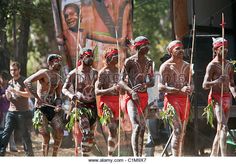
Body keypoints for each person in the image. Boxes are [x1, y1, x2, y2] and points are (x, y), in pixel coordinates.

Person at [119, 36, 155, 156]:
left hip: (143, 97)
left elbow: (152, 81)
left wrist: (145, 85)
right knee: (137, 125)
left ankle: (139, 156)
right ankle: (136, 157)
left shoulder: (149, 62)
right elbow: (120, 81)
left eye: (148, 45)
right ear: (139, 47)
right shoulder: (129, 61)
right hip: (131, 97)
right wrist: (131, 91)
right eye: (145, 45)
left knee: (143, 129)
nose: (148, 48)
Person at [158, 40, 193, 156]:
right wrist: (178, 90)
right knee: (177, 130)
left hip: (185, 101)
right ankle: (175, 158)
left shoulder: (187, 66)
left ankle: (179, 156)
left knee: (182, 132)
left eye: (182, 48)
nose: (181, 50)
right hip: (172, 102)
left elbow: (191, 83)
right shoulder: (165, 66)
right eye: (177, 48)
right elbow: (160, 87)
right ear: (171, 51)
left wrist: (190, 88)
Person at [24, 54, 64, 156]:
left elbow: (58, 96)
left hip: (51, 108)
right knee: (46, 135)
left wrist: (58, 105)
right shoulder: (43, 73)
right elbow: (27, 82)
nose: (59, 63)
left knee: (60, 131)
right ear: (50, 63)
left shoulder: (59, 79)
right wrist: (37, 98)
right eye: (56, 61)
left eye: (60, 61)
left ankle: (54, 156)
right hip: (40, 108)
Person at [202, 37, 236, 156]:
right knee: (223, 126)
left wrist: (234, 94)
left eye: (226, 48)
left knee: (220, 129)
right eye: (222, 48)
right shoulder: (212, 65)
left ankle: (213, 156)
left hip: (227, 98)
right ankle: (224, 157)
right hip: (216, 98)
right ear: (216, 50)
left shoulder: (229, 65)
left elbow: (232, 83)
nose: (225, 50)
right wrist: (217, 81)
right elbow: (205, 85)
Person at [62, 48, 98, 156]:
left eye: (92, 56)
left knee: (90, 137)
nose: (90, 58)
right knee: (86, 133)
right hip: (80, 107)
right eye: (88, 56)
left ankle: (86, 155)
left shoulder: (96, 73)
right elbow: (64, 89)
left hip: (93, 107)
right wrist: (71, 95)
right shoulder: (74, 73)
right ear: (82, 57)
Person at [0, 62, 34, 156]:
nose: (13, 72)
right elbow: (10, 98)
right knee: (6, 132)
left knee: (25, 134)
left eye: (15, 70)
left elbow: (29, 95)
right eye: (11, 70)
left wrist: (16, 91)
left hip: (22, 112)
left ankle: (29, 155)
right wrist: (8, 96)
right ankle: (2, 151)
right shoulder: (10, 82)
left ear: (19, 70)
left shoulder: (24, 81)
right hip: (11, 112)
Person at [95, 47, 120, 156]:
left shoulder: (120, 72)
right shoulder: (103, 73)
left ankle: (112, 153)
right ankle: (110, 156)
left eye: (118, 56)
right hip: (107, 103)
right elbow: (97, 91)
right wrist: (111, 89)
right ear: (108, 58)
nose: (117, 58)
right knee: (112, 129)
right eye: (115, 56)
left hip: (118, 103)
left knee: (115, 132)